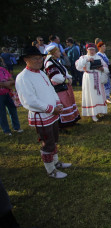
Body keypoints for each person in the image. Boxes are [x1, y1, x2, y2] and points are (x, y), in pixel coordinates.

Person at [16, 46, 72, 178]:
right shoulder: (23, 77)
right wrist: (51, 109)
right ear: (26, 60)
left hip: (52, 114)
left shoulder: (41, 73)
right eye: (35, 58)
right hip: (42, 115)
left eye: (40, 58)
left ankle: (56, 162)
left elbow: (52, 90)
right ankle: (50, 170)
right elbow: (30, 101)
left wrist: (58, 103)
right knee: (47, 143)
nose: (39, 61)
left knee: (54, 140)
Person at [44, 45, 80, 129]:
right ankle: (63, 124)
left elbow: (64, 71)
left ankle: (71, 120)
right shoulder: (49, 63)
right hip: (59, 88)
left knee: (69, 102)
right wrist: (66, 80)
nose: (60, 53)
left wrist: (69, 77)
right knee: (63, 104)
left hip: (65, 86)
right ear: (54, 52)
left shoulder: (56, 61)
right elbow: (55, 77)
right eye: (58, 51)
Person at [75, 43, 108, 122]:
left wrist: (102, 69)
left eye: (93, 49)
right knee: (91, 95)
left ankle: (100, 110)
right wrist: (87, 60)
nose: (92, 51)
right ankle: (93, 113)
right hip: (89, 78)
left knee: (99, 94)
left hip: (98, 76)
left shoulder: (98, 57)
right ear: (87, 50)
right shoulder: (83, 57)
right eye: (90, 50)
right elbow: (78, 67)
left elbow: (106, 67)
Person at [0, 66, 23, 135]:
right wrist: (5, 84)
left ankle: (17, 127)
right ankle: (6, 130)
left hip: (8, 94)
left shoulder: (2, 69)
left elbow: (12, 80)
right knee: (2, 113)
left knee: (13, 110)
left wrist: (9, 83)